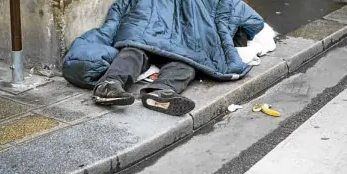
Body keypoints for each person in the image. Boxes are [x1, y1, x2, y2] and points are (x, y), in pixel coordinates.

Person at [62, 0, 264, 117]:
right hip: (158, 29)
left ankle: (117, 86)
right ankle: (156, 90)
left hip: (161, 36)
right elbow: (249, 24)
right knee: (179, 60)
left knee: (138, 52)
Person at [92, 27, 248, 117]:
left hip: (181, 46)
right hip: (151, 35)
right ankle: (109, 85)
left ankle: (161, 92)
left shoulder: (214, 7)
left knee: (184, 65)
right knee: (134, 51)